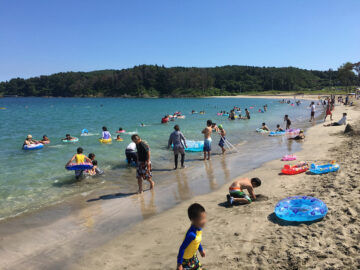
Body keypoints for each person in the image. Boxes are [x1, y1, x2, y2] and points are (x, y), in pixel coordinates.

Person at [177, 203, 206, 270]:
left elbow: (197, 241)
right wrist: (179, 264)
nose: (204, 221)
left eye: (204, 218)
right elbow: (182, 248)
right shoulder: (191, 234)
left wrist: (201, 250)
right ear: (193, 220)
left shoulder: (199, 229)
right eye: (202, 219)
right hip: (185, 259)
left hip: (193, 256)